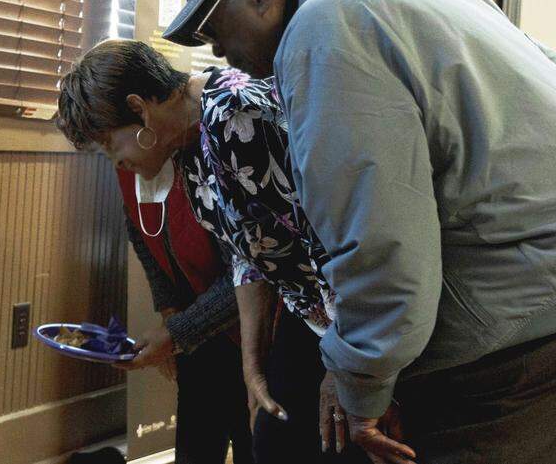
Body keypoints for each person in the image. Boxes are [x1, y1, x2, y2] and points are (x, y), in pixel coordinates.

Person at [162, 0, 556, 464]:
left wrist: (357, 379)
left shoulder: (325, 30)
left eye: (216, 33)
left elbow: (381, 242)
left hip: (507, 337)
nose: (220, 56)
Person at [59, 40, 368, 463]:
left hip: (353, 322)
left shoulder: (234, 112)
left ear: (139, 109)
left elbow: (330, 242)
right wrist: (253, 367)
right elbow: (249, 255)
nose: (117, 162)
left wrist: (345, 363)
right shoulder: (186, 141)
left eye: (113, 146)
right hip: (311, 324)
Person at [114, 165, 253, 463]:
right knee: (195, 443)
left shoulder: (203, 156)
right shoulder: (127, 166)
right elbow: (141, 233)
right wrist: (169, 312)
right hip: (192, 321)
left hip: (254, 323)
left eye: (111, 143)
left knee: (252, 440)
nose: (117, 159)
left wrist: (175, 333)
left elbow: (246, 274)